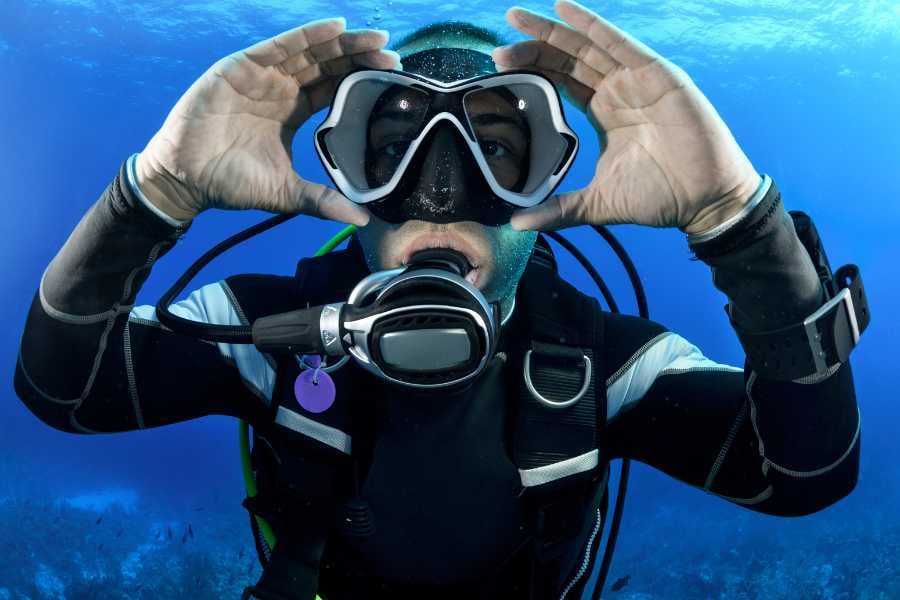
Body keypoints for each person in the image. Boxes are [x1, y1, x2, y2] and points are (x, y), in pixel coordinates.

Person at [14, 2, 866, 598]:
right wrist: (156, 190)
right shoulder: (268, 331)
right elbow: (67, 389)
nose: (443, 193)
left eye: (500, 149)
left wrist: (739, 222)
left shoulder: (603, 362)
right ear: (344, 175)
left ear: (551, 188)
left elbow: (800, 473)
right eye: (391, 149)